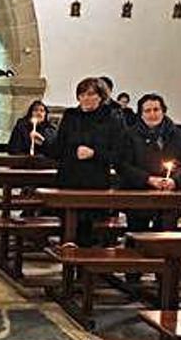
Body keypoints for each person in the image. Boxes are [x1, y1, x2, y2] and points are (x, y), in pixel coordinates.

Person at [40, 77, 124, 246]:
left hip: (95, 181)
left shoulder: (111, 119)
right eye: (82, 94)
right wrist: (42, 142)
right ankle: (69, 269)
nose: (85, 98)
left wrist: (94, 153)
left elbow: (118, 153)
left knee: (90, 233)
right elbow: (58, 149)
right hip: (69, 178)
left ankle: (90, 269)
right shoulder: (71, 116)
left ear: (101, 96)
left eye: (91, 94)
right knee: (69, 231)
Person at [119, 93, 181, 231]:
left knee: (165, 241)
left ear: (163, 111)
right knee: (138, 240)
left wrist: (175, 181)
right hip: (139, 195)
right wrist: (148, 179)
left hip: (169, 197)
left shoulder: (177, 134)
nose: (152, 114)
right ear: (140, 114)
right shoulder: (129, 135)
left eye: (156, 109)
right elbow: (123, 165)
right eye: (147, 111)